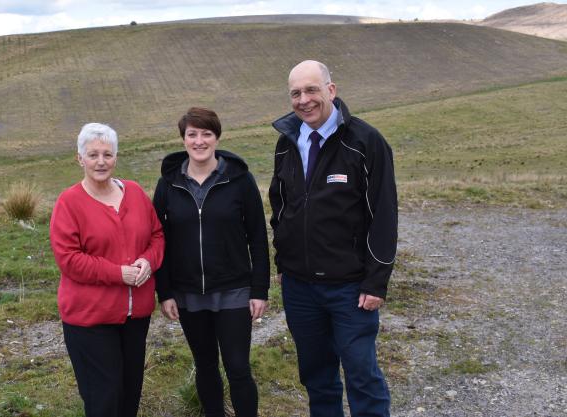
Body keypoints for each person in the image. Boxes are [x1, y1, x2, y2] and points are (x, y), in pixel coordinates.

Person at [268, 60, 397, 417]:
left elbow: (384, 216)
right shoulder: (286, 142)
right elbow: (280, 207)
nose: (304, 100)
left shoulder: (366, 142)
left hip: (350, 288)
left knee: (361, 375)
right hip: (299, 287)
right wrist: (284, 263)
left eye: (312, 90)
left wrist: (376, 281)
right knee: (317, 376)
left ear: (331, 90)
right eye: (296, 93)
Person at [153, 107, 270, 417]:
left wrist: (259, 290)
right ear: (183, 139)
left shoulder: (240, 180)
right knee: (205, 365)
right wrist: (164, 292)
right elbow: (157, 239)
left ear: (217, 137)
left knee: (237, 366)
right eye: (192, 134)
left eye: (206, 133)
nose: (199, 141)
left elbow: (257, 237)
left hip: (233, 290)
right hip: (188, 293)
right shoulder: (168, 183)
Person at [49, 122, 164, 417]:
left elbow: (157, 236)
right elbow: (69, 259)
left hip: (135, 315)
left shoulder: (136, 193)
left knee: (129, 392)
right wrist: (119, 273)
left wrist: (149, 262)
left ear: (116, 157)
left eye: (108, 154)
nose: (101, 161)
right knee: (104, 396)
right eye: (93, 155)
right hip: (90, 318)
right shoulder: (69, 202)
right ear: (80, 159)